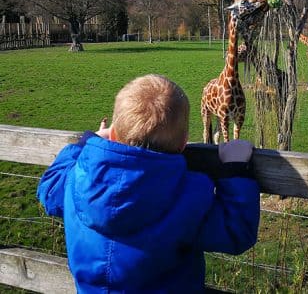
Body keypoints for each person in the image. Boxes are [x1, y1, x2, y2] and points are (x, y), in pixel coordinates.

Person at [37, 74, 260, 293]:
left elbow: (48, 188)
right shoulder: (190, 196)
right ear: (183, 143)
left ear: (112, 133)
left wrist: (88, 142)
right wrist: (236, 169)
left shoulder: (76, 178)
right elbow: (236, 232)